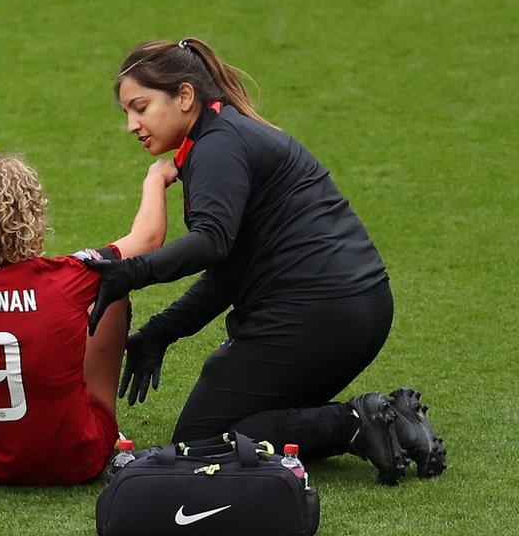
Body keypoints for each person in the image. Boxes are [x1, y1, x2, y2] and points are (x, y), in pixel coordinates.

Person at [84, 38, 447, 485]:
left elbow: (211, 242)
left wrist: (131, 273)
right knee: (252, 420)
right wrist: (159, 333)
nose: (131, 125)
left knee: (201, 440)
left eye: (140, 107)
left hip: (316, 314)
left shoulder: (218, 147)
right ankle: (382, 421)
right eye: (126, 113)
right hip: (356, 309)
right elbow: (229, 275)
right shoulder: (225, 134)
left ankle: (362, 421)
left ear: (183, 96)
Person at [0, 157, 174, 484]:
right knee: (114, 285)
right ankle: (101, 418)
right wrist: (156, 177)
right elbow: (148, 238)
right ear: (31, 214)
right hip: (72, 460)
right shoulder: (70, 276)